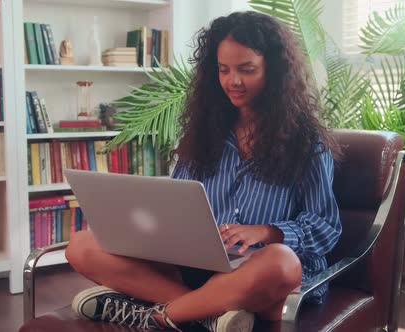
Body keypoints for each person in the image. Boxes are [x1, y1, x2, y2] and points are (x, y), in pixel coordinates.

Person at [65, 11, 342, 332]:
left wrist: (267, 232)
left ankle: (155, 315)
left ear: (275, 72)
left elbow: (326, 228)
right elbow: (177, 204)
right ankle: (210, 312)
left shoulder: (307, 141)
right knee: (82, 245)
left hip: (262, 271)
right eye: (223, 70)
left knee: (280, 262)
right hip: (199, 265)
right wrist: (150, 232)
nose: (233, 81)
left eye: (246, 69)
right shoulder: (203, 134)